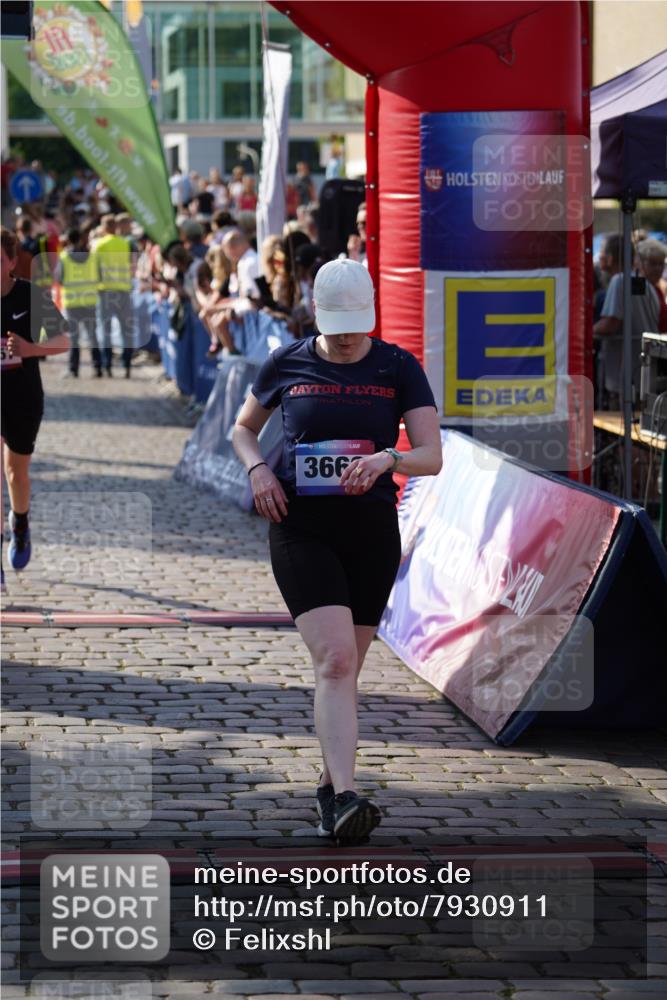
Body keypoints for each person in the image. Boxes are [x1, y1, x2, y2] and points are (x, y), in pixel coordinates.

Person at [232, 258, 442, 844]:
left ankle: (330, 790)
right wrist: (258, 470)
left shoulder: (398, 366)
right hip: (301, 527)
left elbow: (432, 455)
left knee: (346, 669)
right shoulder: (287, 362)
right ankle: (346, 795)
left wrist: (387, 458)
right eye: (338, 326)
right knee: (335, 660)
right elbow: (243, 428)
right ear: (316, 313)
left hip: (371, 532)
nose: (349, 338)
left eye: (358, 326)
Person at [1, 226, 70, 588]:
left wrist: (29, 349)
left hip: (22, 396)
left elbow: (63, 341)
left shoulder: (29, 295)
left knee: (16, 473)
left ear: (12, 262)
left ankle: (20, 523)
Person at [594, 237, 666, 407]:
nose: (657, 269)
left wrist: (584, 333)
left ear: (610, 258)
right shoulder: (648, 286)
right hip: (645, 375)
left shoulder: (620, 280)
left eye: (660, 264)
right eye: (653, 263)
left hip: (625, 377)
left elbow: (610, 324)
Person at [56, 228, 102, 377]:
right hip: (90, 302)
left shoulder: (63, 257)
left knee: (74, 338)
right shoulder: (93, 256)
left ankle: (73, 369)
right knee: (93, 337)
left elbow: (58, 279)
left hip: (72, 303)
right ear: (81, 239)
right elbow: (100, 276)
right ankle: (98, 368)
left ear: (68, 240)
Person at [94, 214, 134, 377]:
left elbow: (94, 268)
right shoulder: (125, 243)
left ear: (104, 228)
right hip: (124, 290)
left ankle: (107, 365)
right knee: (126, 329)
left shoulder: (99, 244)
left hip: (106, 291)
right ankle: (127, 365)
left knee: (106, 330)